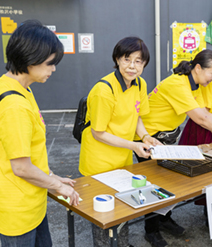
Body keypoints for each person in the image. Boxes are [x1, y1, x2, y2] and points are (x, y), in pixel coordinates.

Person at [136, 49, 212, 247]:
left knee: (169, 181)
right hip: (147, 137)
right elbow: (200, 118)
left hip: (164, 137)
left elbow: (205, 114)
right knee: (154, 184)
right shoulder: (177, 84)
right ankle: (151, 230)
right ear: (198, 68)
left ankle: (164, 219)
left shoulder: (195, 85)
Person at [0, 20, 80, 247]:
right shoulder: (14, 106)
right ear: (31, 59)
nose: (54, 69)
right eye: (50, 63)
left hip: (31, 198)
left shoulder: (16, 86)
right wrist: (57, 186)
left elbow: (27, 148)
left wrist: (52, 176)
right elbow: (20, 166)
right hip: (18, 208)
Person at [79, 36, 158, 247]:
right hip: (99, 161)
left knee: (123, 207)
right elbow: (98, 133)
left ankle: (122, 245)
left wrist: (145, 136)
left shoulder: (140, 84)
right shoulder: (104, 90)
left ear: (144, 64)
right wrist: (134, 145)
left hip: (121, 158)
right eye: (127, 59)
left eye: (138, 61)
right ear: (117, 59)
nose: (132, 66)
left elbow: (137, 116)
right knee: (104, 214)